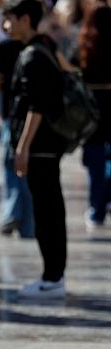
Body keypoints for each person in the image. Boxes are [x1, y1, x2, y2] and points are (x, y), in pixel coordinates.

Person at [4, 0, 68, 299]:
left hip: (41, 146)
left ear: (25, 19)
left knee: (47, 210)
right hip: (47, 145)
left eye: (10, 19)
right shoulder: (45, 46)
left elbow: (37, 106)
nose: (6, 26)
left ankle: (52, 277)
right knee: (49, 207)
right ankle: (52, 275)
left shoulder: (33, 56)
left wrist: (23, 146)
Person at [0, 37, 35, 238]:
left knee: (13, 164)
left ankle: (13, 214)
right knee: (16, 165)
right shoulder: (3, 48)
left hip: (21, 117)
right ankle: (24, 223)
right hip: (12, 116)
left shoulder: (37, 48)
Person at [78, 4, 111, 229]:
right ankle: (100, 203)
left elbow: (72, 74)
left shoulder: (84, 47)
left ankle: (96, 205)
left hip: (91, 108)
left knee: (95, 161)